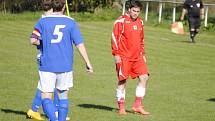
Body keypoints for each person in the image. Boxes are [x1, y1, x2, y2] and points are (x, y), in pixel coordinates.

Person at [30, 0, 93, 120]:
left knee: (46, 96)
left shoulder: (42, 21)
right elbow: (79, 44)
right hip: (65, 66)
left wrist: (43, 43)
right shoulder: (71, 22)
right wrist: (88, 63)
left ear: (52, 6)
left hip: (47, 65)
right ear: (64, 7)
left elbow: (33, 40)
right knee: (63, 96)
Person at [111, 0, 150, 115]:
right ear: (129, 9)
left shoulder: (140, 22)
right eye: (134, 10)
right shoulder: (120, 21)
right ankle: (121, 107)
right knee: (122, 81)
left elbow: (141, 39)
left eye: (138, 11)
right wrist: (116, 54)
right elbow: (114, 37)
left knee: (144, 77)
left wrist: (142, 54)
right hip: (124, 57)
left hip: (137, 57)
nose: (135, 13)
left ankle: (137, 105)